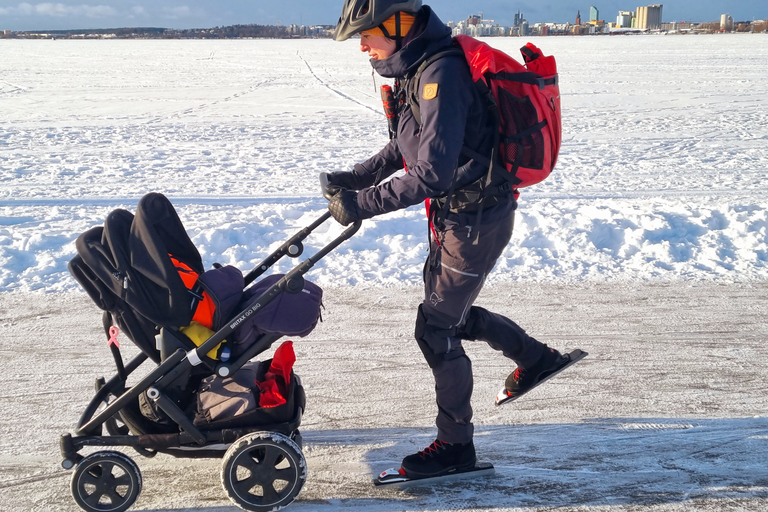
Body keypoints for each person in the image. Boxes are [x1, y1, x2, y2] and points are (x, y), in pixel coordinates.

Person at [325, 0, 570, 479]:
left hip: (475, 221)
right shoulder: (418, 70)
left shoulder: (443, 72)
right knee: (447, 318)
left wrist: (361, 204)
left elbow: (432, 172)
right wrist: (356, 177)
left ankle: (456, 446)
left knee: (435, 328)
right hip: (460, 218)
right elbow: (406, 144)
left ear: (399, 25)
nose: (362, 45)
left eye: (367, 33)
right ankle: (537, 358)